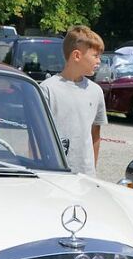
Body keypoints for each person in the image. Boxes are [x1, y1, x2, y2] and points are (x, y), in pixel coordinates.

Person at [39, 25, 107, 176]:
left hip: (85, 176)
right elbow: (36, 137)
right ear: (77, 56)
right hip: (53, 174)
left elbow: (95, 134)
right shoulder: (47, 89)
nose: (99, 61)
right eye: (95, 56)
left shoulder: (96, 91)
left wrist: (92, 172)